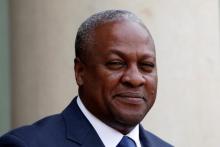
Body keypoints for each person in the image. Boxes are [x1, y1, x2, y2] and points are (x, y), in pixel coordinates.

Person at [0, 10, 173, 147]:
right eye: (116, 63)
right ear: (80, 72)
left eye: (146, 66)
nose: (135, 79)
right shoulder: (25, 144)